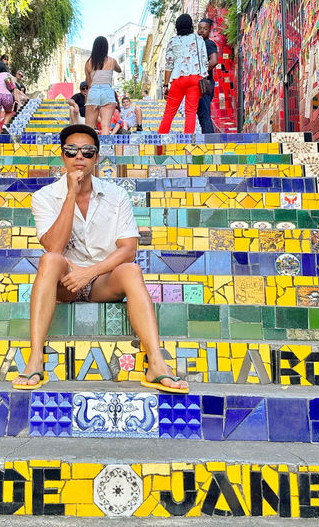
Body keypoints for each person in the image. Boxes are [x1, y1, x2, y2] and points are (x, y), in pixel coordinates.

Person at [12, 124, 189, 394]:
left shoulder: (116, 195)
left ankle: (156, 363)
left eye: (87, 151)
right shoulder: (44, 197)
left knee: (131, 270)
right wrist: (71, 194)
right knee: (49, 261)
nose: (79, 156)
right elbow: (54, 247)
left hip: (102, 281)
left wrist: (90, 272)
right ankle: (36, 357)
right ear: (62, 156)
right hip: (65, 281)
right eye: (71, 151)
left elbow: (129, 249)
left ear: (97, 157)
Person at [158, 14, 208, 134]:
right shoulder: (198, 39)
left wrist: (165, 85)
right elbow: (204, 61)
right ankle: (188, 146)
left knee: (169, 112)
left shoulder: (172, 41)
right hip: (195, 79)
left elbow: (169, 64)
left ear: (177, 27)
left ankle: (159, 145)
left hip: (178, 79)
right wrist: (204, 79)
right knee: (190, 112)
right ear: (191, 26)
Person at [84, 36, 121, 135]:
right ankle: (106, 149)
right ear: (106, 48)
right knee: (105, 125)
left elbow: (89, 82)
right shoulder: (112, 61)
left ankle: (89, 149)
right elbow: (119, 69)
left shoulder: (88, 63)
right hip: (107, 92)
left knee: (89, 126)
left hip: (94, 91)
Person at [196, 18, 218, 134]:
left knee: (204, 114)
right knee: (202, 114)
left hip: (204, 83)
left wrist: (201, 74)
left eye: (205, 29)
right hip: (202, 83)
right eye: (199, 28)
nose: (201, 31)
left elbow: (214, 61)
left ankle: (210, 142)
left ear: (210, 31)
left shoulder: (208, 43)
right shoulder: (199, 44)